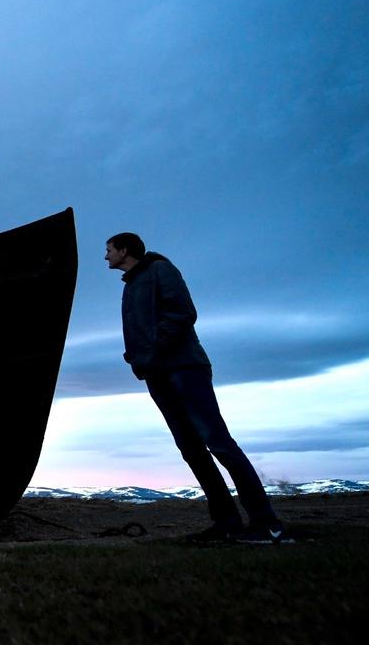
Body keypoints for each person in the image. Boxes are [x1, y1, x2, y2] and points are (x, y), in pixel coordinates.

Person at [105, 232, 287, 544]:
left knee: (217, 442)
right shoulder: (132, 284)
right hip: (157, 373)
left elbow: (183, 313)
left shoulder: (161, 270)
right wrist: (137, 356)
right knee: (191, 450)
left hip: (183, 368)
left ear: (125, 250)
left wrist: (152, 350)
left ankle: (266, 523)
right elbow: (144, 329)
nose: (106, 257)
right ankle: (227, 522)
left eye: (109, 250)